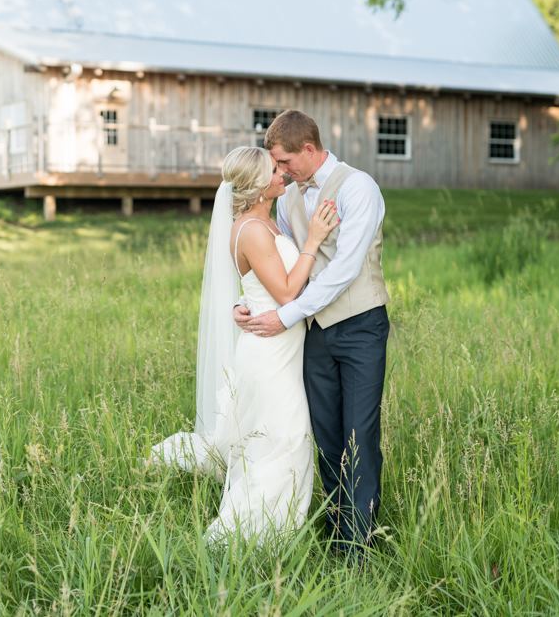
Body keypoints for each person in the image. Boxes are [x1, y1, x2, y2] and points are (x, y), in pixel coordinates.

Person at [148, 145, 339, 545]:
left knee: (278, 435)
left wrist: (243, 304)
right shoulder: (252, 230)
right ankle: (251, 531)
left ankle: (277, 522)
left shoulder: (265, 222)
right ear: (256, 186)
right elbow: (287, 293)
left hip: (278, 347)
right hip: (269, 352)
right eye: (273, 171)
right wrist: (314, 240)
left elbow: (259, 287)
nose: (282, 174)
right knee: (283, 436)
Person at [235, 110, 391, 559]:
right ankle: (335, 522)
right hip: (313, 332)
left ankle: (355, 546)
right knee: (323, 434)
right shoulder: (287, 201)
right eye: (275, 166)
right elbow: (279, 264)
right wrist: (246, 301)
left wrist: (284, 317)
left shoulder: (358, 187)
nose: (280, 173)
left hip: (360, 324)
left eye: (285, 163)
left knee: (358, 433)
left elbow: (343, 269)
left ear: (309, 148)